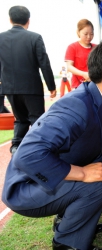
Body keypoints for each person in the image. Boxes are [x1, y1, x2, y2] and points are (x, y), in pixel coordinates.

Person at [2, 40, 102, 249]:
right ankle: (66, 243)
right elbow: (27, 155)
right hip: (28, 187)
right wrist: (83, 174)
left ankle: (71, 220)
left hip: (53, 178)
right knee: (97, 179)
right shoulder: (77, 105)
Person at [0, 6, 56, 154]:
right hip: (32, 88)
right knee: (37, 119)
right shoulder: (34, 37)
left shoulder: (1, 38)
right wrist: (51, 86)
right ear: (28, 21)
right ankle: (40, 149)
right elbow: (44, 63)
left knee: (20, 119)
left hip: (10, 88)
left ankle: (16, 147)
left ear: (10, 19)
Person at [65, 19, 96, 89]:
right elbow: (69, 67)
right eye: (85, 34)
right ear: (78, 32)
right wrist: (83, 74)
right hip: (78, 86)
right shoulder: (72, 47)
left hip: (95, 85)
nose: (89, 37)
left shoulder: (97, 48)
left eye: (91, 34)